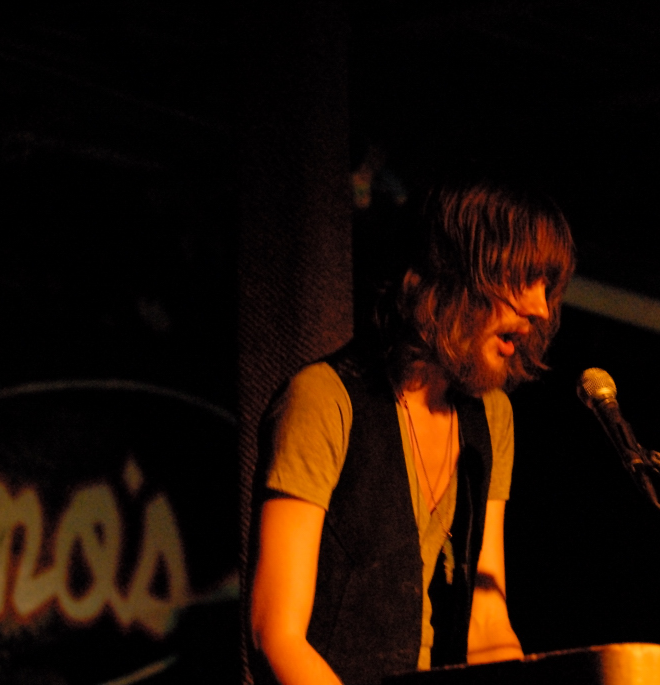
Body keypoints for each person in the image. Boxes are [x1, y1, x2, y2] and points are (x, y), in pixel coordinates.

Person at [247, 181, 576, 685]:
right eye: (520, 280)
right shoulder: (324, 399)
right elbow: (275, 635)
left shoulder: (492, 416)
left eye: (546, 287)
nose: (540, 309)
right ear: (454, 273)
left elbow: (487, 622)